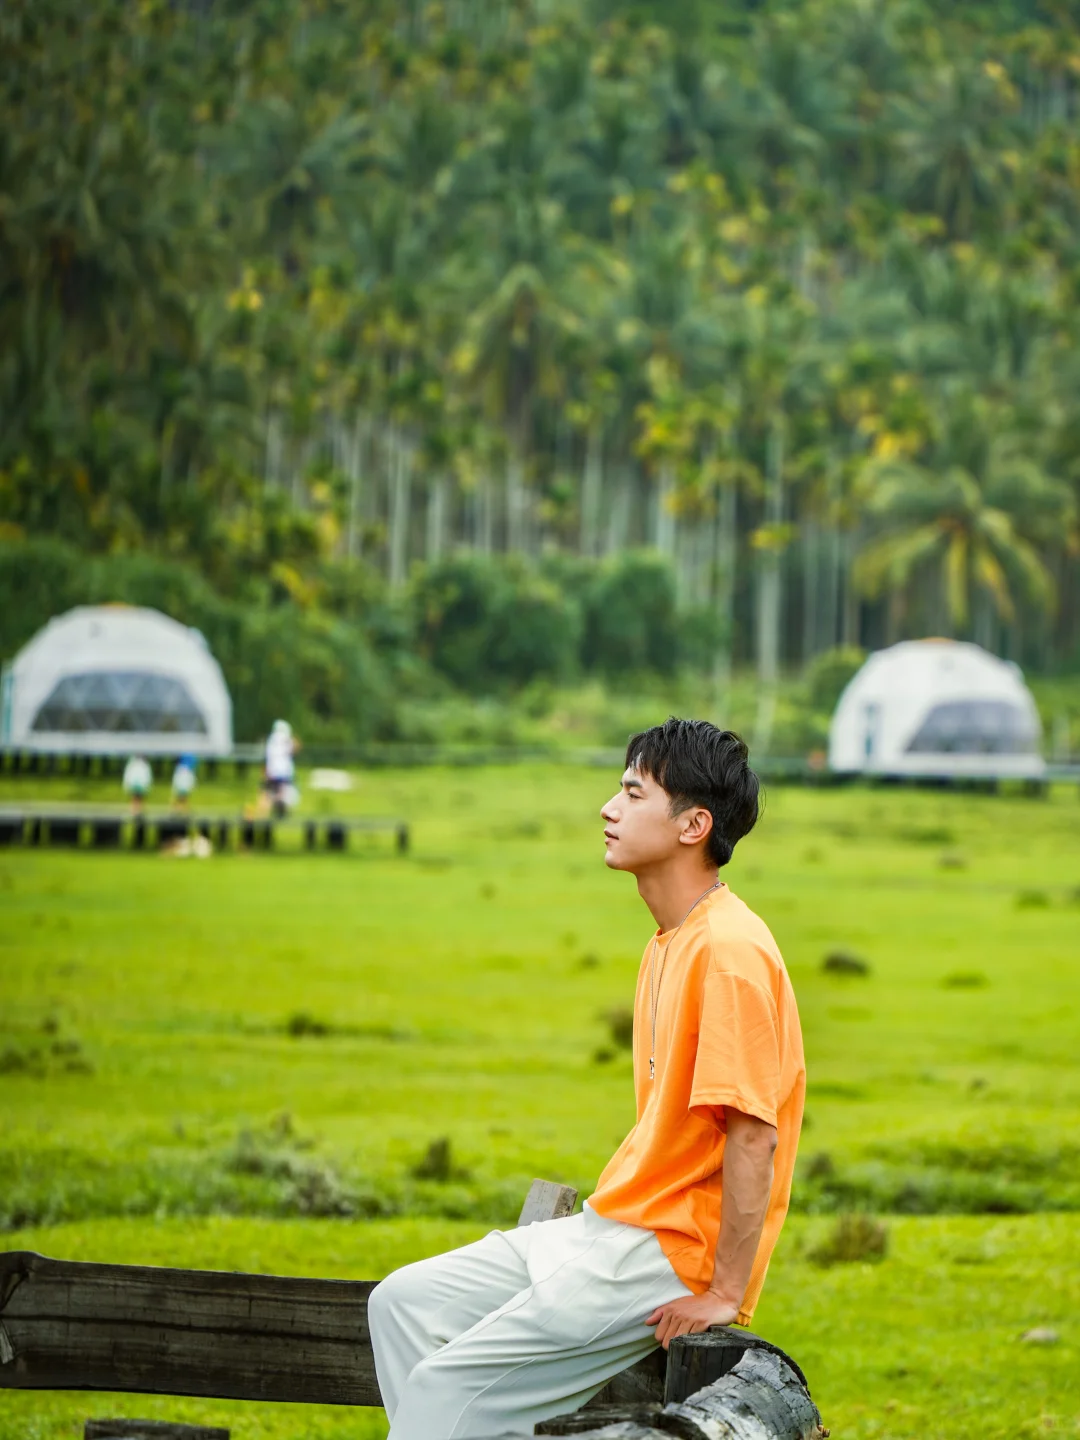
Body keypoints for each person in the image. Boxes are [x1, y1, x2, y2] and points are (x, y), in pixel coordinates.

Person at [369, 718, 806, 1440]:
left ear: (694, 825)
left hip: (667, 1254)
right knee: (402, 1304)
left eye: (633, 794)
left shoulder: (729, 952)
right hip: (614, 1225)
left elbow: (753, 1134)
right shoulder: (671, 940)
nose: (609, 808)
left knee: (447, 1388)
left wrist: (725, 1291)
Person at [262, 719, 299, 818]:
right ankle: (282, 814)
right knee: (284, 795)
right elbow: (295, 748)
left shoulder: (271, 740)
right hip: (284, 773)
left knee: (271, 795)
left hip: (272, 773)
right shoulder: (286, 739)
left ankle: (267, 813)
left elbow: (267, 758)